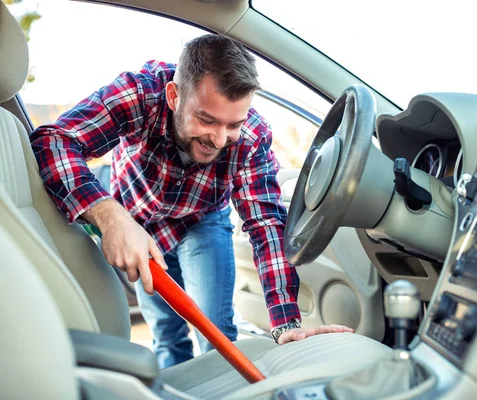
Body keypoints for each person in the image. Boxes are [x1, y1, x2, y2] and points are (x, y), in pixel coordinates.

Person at [30, 34, 353, 368]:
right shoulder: (141, 94)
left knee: (216, 331)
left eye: (233, 124)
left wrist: (287, 323)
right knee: (166, 334)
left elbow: (265, 223)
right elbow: (54, 141)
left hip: (203, 221)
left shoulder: (252, 137)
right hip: (136, 223)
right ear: (174, 96)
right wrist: (111, 216)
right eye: (207, 120)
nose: (218, 139)